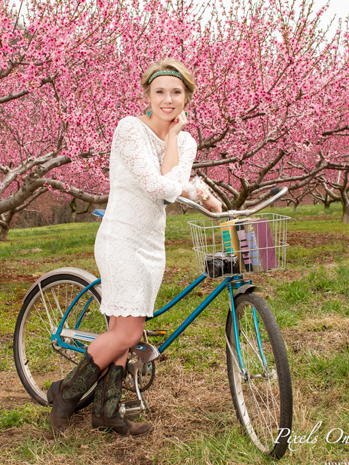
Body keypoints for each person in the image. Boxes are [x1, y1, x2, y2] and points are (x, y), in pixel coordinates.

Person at [47, 59, 222, 437]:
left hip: (151, 243)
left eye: (176, 92)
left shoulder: (187, 141)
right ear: (147, 95)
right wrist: (173, 141)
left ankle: (107, 413)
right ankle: (66, 392)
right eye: (160, 91)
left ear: (187, 97)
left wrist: (207, 195)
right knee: (126, 334)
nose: (168, 99)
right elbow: (159, 186)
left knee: (129, 330)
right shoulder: (130, 129)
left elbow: (179, 181)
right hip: (121, 237)